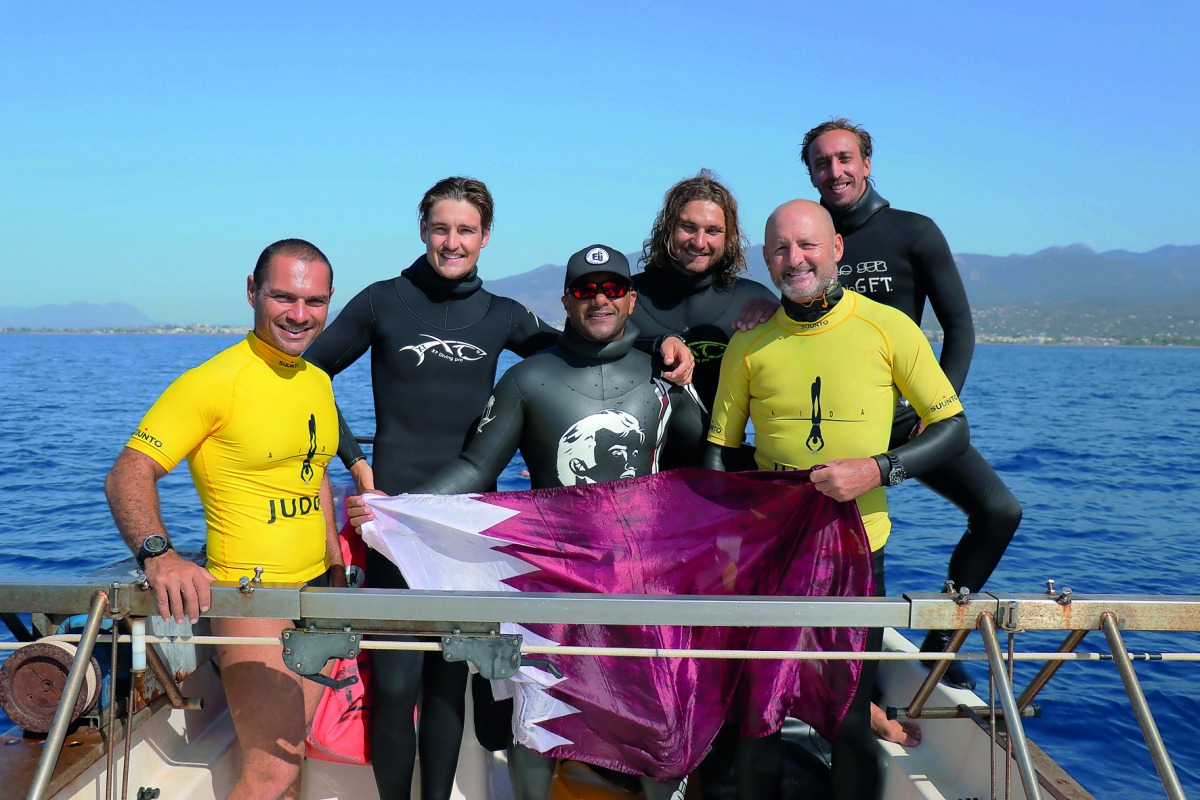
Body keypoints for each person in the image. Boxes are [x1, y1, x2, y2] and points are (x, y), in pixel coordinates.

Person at [302, 178, 694, 800]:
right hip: (394, 518)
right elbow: (307, 377)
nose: (451, 241)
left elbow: (587, 343)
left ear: (485, 237)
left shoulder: (501, 314)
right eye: (440, 228)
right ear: (423, 229)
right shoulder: (382, 302)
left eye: (465, 230)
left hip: (464, 524)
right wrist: (355, 460)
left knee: (447, 686)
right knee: (396, 687)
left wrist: (656, 343)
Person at [705, 200, 969, 800]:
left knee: (849, 721)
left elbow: (952, 427)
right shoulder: (750, 343)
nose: (795, 259)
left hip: (858, 554)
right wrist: (726, 550)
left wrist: (877, 470)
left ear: (837, 249)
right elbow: (720, 454)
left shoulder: (887, 327)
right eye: (781, 248)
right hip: (770, 559)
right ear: (766, 258)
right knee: (758, 718)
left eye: (808, 245)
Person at [105, 239, 345, 800]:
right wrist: (160, 555)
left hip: (319, 592)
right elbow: (128, 474)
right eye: (283, 297)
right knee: (271, 773)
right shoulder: (213, 381)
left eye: (314, 301)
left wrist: (336, 565)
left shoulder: (317, 379)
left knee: (292, 762)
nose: (299, 314)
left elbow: (313, 476)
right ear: (252, 291)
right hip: (251, 595)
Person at [799, 119, 1021, 690]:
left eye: (845, 158)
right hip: (836, 424)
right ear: (811, 174)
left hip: (905, 419)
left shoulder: (913, 231)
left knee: (999, 512)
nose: (835, 171)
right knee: (857, 548)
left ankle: (943, 639)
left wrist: (938, 407)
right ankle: (854, 684)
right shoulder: (807, 239)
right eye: (822, 163)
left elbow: (959, 326)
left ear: (867, 163)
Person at [631, 169, 778, 427]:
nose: (699, 242)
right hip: (642, 451)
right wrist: (656, 344)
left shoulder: (755, 301)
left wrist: (783, 314)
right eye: (688, 227)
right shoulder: (627, 298)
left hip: (726, 451)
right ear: (668, 228)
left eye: (713, 231)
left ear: (729, 237)